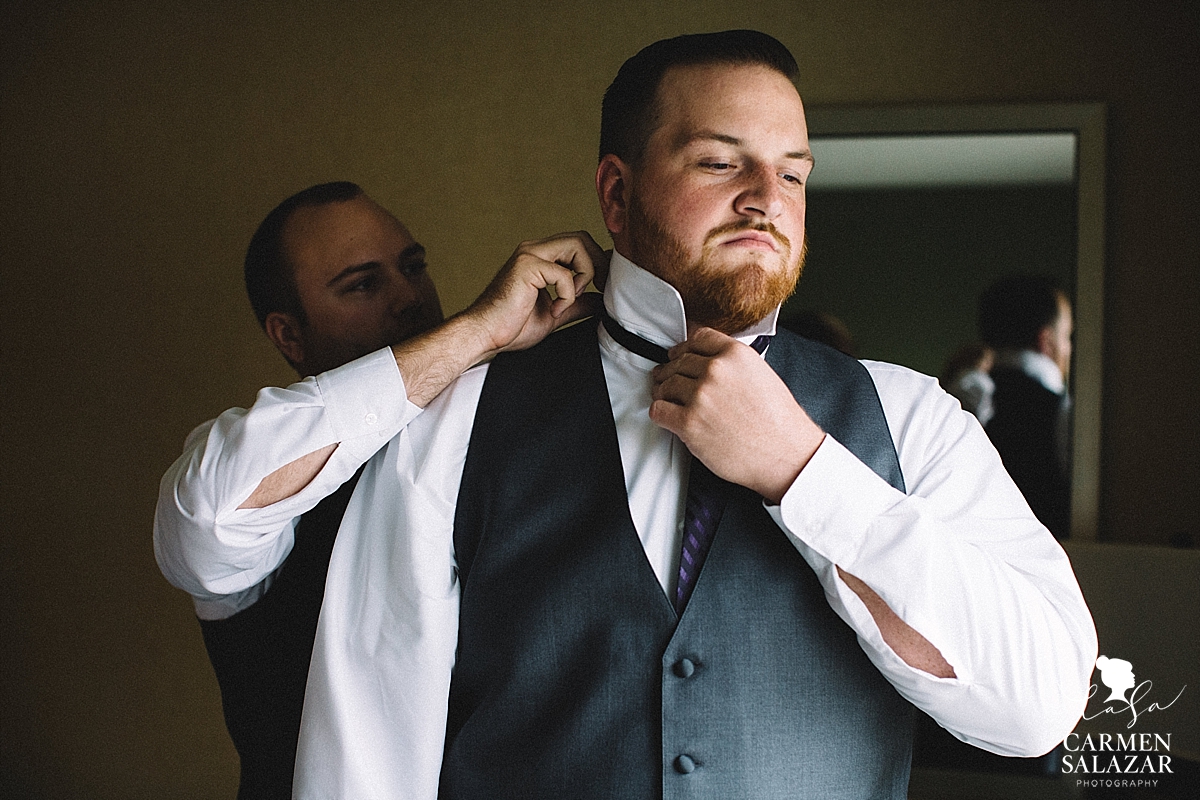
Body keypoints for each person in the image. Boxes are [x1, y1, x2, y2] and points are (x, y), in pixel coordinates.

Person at [161, 32, 1097, 799]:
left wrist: (806, 471)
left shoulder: (913, 418)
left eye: (794, 174)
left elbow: (1040, 708)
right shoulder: (459, 419)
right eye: (720, 162)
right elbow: (368, 746)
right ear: (616, 192)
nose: (767, 199)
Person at [153, 181, 605, 799]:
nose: (408, 297)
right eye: (363, 284)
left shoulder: (502, 433)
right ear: (289, 336)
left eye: (412, 267)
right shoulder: (263, 479)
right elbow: (208, 515)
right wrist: (478, 330)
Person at [978, 274, 1073, 539]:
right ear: (1046, 341)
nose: (1069, 348)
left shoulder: (953, 397)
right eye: (1067, 335)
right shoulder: (1063, 414)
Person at [941, 341, 996, 425]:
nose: (991, 364)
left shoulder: (958, 375)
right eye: (987, 360)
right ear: (976, 360)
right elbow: (982, 409)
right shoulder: (980, 380)